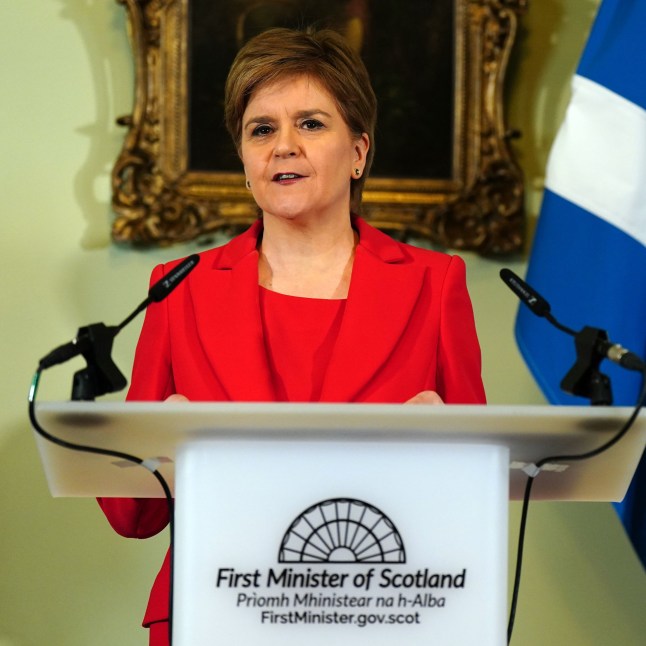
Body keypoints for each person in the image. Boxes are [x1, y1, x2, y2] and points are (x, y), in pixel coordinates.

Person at [98, 27, 486, 646]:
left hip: (384, 614)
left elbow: (480, 503)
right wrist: (155, 446)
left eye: (310, 124)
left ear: (359, 151)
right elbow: (131, 515)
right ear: (246, 160)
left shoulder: (435, 284)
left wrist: (450, 454)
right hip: (212, 609)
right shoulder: (178, 289)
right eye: (261, 129)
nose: (283, 147)